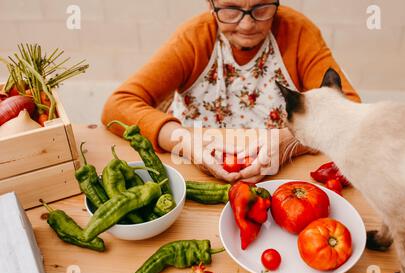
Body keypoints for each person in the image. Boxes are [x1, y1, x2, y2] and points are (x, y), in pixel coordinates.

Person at [102, 0, 360, 183]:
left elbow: (350, 110)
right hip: (193, 169)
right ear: (209, 4)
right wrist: (183, 140)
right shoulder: (193, 38)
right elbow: (118, 104)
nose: (247, 25)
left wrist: (290, 141)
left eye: (261, 7)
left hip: (281, 172)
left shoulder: (299, 32)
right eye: (230, 9)